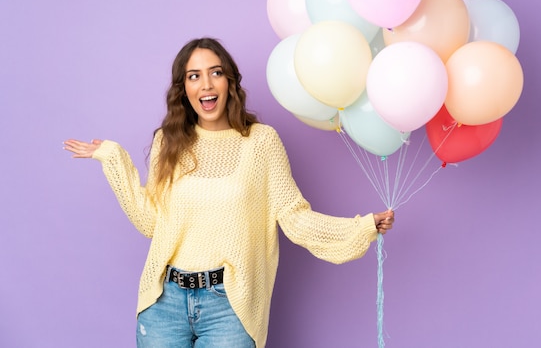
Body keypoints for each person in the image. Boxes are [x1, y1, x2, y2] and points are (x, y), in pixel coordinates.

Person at [63, 37, 394, 348]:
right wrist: (114, 160)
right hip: (164, 301)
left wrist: (359, 228)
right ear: (184, 89)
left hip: (229, 305)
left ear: (229, 83)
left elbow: (294, 217)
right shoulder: (169, 142)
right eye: (194, 76)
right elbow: (153, 222)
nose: (206, 84)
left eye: (215, 73)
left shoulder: (261, 142)